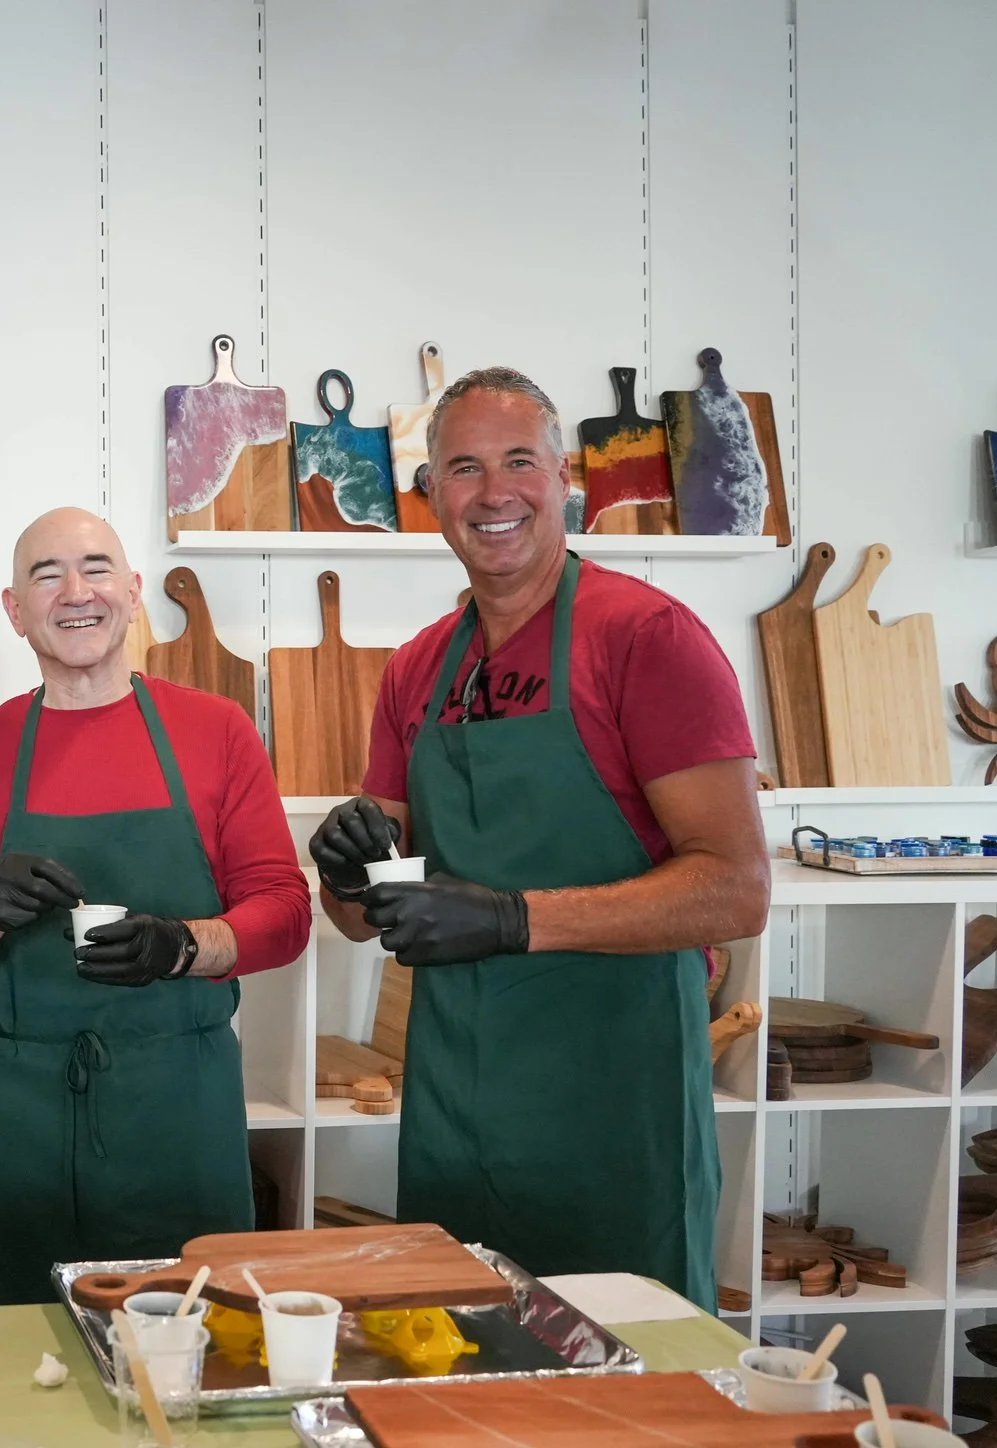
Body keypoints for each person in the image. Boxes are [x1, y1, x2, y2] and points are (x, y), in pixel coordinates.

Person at [308, 367, 769, 1309]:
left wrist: (512, 919)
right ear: (431, 492)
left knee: (631, 1372)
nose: (494, 493)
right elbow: (360, 919)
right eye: (464, 468)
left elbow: (735, 889)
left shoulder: (647, 638)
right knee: (459, 1362)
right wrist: (348, 872)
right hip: (454, 1108)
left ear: (564, 477)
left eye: (519, 461)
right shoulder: (416, 670)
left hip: (615, 1113)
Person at [0, 508, 311, 1304]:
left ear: (133, 590)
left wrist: (180, 946)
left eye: (95, 568)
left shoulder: (216, 732)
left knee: (193, 1336)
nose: (76, 592)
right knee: (36, 1348)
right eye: (46, 575)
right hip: (31, 1115)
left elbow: (285, 913)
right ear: (15, 609)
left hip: (183, 1103)